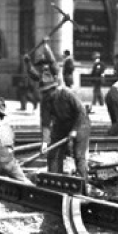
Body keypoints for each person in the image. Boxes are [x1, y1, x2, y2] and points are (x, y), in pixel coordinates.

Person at [37, 42, 91, 183]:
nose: (46, 95)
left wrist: (74, 131)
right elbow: (45, 123)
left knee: (78, 155)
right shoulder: (46, 101)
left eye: (48, 92)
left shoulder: (67, 94)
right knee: (53, 152)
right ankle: (54, 180)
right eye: (44, 93)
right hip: (61, 124)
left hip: (80, 124)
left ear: (54, 88)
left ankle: (83, 183)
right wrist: (44, 142)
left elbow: (81, 112)